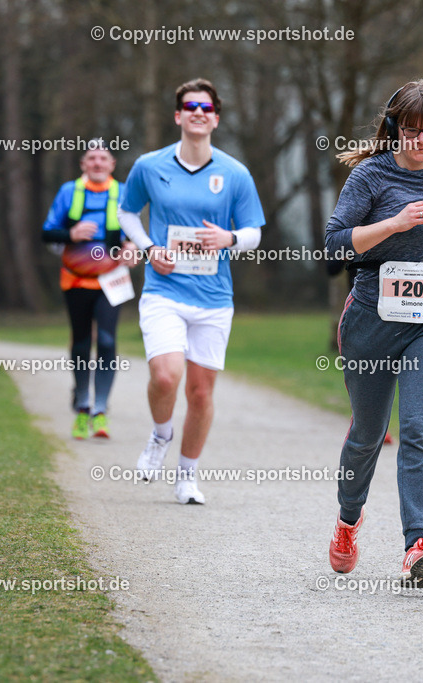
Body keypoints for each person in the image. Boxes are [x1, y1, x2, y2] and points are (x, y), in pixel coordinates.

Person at [324, 79, 423, 587]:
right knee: (368, 436)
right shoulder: (369, 177)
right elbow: (336, 245)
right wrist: (394, 223)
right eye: (410, 131)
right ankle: (348, 522)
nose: (420, 141)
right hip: (371, 318)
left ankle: (417, 546)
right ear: (394, 129)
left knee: (415, 429)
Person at [118, 78, 265, 504]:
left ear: (215, 118)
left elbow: (254, 231)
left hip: (215, 298)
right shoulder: (150, 165)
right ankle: (160, 434)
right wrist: (149, 249)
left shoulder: (235, 173)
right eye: (190, 106)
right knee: (165, 376)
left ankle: (187, 477)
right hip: (164, 289)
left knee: (201, 393)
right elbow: (127, 213)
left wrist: (230, 239)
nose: (198, 112)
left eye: (206, 107)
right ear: (178, 116)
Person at [42, 145, 137, 440]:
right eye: (92, 158)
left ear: (112, 164)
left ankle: (100, 410)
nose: (97, 162)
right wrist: (70, 234)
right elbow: (47, 232)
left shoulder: (123, 192)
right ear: (83, 163)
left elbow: (137, 232)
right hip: (76, 279)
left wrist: (133, 245)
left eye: (103, 158)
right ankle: (82, 406)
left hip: (112, 280)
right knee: (82, 343)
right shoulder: (69, 192)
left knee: (107, 340)